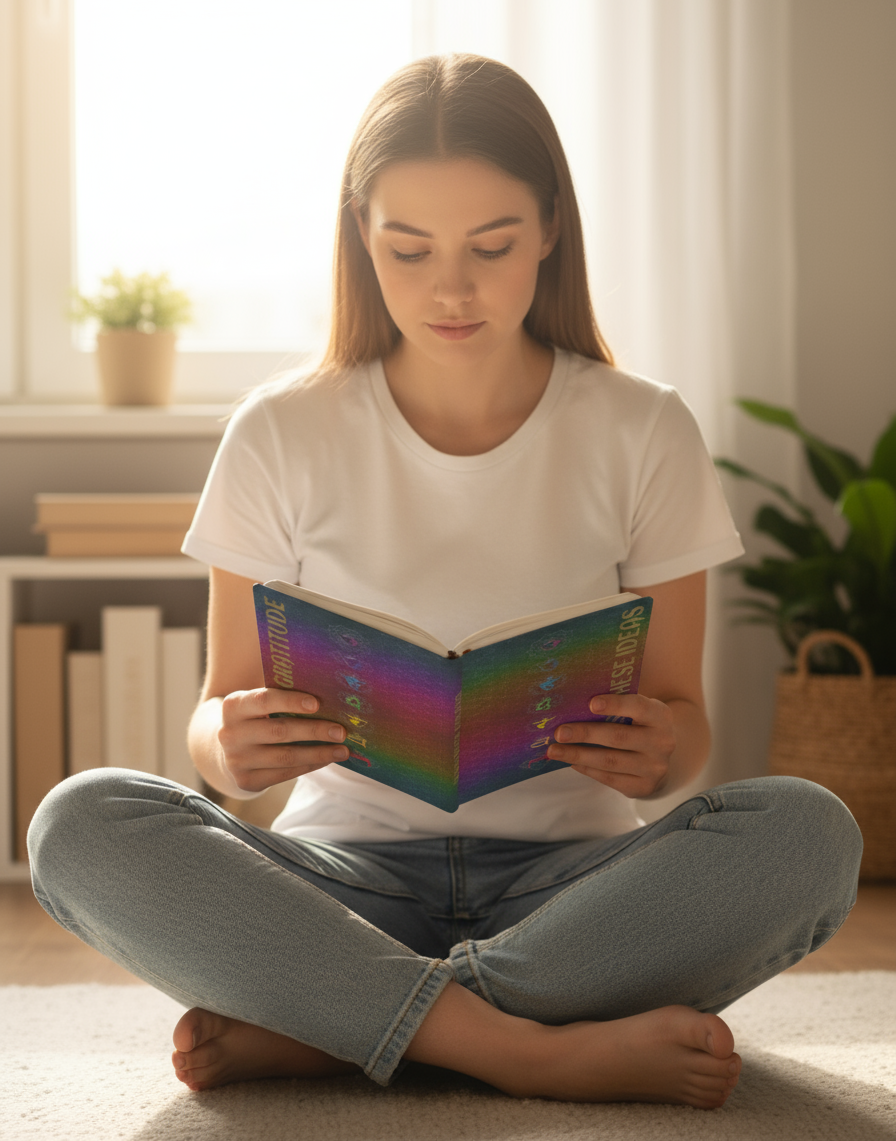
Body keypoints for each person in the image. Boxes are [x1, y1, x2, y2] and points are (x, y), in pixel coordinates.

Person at [28, 54, 862, 1109]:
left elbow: (684, 736)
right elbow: (217, 741)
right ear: (359, 238)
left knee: (808, 834)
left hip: (573, 888)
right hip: (340, 885)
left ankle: (345, 1028)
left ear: (550, 228)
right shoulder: (279, 433)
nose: (450, 288)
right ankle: (523, 1047)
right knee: (78, 823)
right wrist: (228, 743)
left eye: (491, 245)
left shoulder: (641, 428)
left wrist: (658, 756)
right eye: (408, 249)